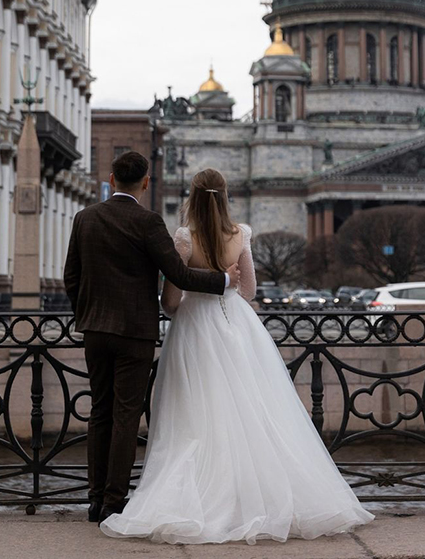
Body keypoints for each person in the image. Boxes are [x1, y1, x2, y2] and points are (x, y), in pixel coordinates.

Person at [101, 168, 374, 545]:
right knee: (253, 410)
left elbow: (172, 299)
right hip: (237, 326)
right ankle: (258, 497)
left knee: (192, 414)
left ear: (192, 198)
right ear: (225, 195)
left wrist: (180, 305)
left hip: (194, 327)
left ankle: (199, 496)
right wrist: (225, 285)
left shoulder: (184, 236)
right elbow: (247, 289)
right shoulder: (240, 233)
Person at [63, 151, 240, 525]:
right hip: (135, 333)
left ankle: (93, 499)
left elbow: (71, 278)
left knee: (100, 411)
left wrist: (87, 314)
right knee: (126, 414)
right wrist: (224, 280)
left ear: (111, 179)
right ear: (145, 182)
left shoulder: (85, 218)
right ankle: (113, 501)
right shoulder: (148, 222)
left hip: (95, 330)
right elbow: (179, 274)